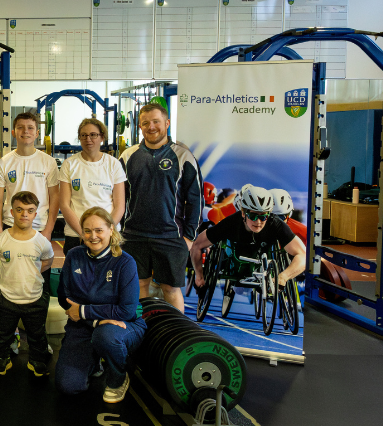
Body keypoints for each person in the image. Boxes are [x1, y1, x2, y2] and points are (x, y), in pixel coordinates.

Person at [55, 207, 146, 402]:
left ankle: (118, 377)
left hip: (123, 325)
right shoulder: (74, 255)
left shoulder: (125, 262)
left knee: (106, 337)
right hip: (84, 326)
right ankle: (94, 363)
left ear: (111, 230)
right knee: (68, 386)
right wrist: (95, 321)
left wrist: (84, 311)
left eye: (99, 230)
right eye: (87, 231)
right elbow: (65, 298)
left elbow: (126, 310)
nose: (93, 236)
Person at [119, 103, 202, 312]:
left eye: (156, 122)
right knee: (138, 287)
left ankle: (178, 337)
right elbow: (118, 198)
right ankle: (140, 334)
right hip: (134, 236)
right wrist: (119, 232)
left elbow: (195, 200)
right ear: (139, 126)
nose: (151, 127)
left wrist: (189, 238)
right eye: (145, 123)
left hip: (170, 237)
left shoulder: (183, 156)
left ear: (166, 123)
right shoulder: (127, 156)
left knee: (171, 290)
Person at [0, 111, 60, 316]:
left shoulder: (48, 162)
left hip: (39, 230)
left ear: (37, 133)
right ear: (13, 132)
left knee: (39, 283)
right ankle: (13, 334)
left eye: (30, 128)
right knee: (10, 282)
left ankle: (38, 336)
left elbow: (54, 198)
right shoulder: (4, 162)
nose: (25, 132)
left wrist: (48, 230)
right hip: (11, 230)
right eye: (20, 127)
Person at [0, 191, 54, 376]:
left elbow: (47, 261)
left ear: (35, 214)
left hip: (34, 299)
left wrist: (30, 271)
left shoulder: (42, 242)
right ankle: (2, 358)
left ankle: (36, 361)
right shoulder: (1, 240)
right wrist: (9, 269)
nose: (24, 214)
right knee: (2, 334)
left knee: (37, 335)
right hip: (7, 299)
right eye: (19, 209)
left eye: (29, 210)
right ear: (11, 212)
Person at [191, 185, 306, 292]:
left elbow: (302, 255)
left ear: (269, 214)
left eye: (263, 216)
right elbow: (197, 245)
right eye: (253, 216)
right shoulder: (231, 223)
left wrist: (283, 277)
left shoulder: (275, 223)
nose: (258, 222)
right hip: (237, 262)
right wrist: (199, 276)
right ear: (243, 213)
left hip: (261, 258)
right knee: (240, 290)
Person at [59, 118, 126, 255]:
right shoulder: (69, 164)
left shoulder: (114, 164)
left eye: (93, 135)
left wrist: (105, 232)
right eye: (83, 135)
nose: (88, 139)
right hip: (76, 235)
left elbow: (119, 205)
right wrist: (84, 233)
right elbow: (64, 205)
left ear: (102, 137)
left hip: (108, 236)